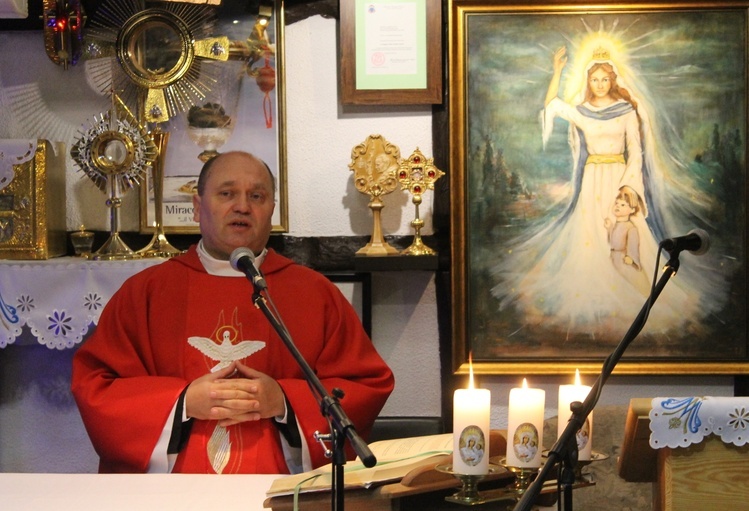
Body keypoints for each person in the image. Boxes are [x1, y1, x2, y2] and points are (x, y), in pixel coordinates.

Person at [71, 151, 395, 474]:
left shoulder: (314, 293)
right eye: (227, 194)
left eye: (257, 196)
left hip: (282, 485)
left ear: (271, 210)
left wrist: (283, 401)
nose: (242, 206)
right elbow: (97, 387)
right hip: (173, 490)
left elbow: (363, 385)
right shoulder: (146, 292)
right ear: (197, 207)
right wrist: (183, 402)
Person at [605, 186, 650, 296]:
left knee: (627, 288)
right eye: (616, 203)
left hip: (623, 261)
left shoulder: (631, 228)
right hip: (613, 258)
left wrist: (631, 258)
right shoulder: (616, 225)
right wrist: (609, 229)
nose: (617, 206)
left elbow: (633, 246)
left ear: (632, 210)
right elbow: (613, 243)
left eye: (623, 205)